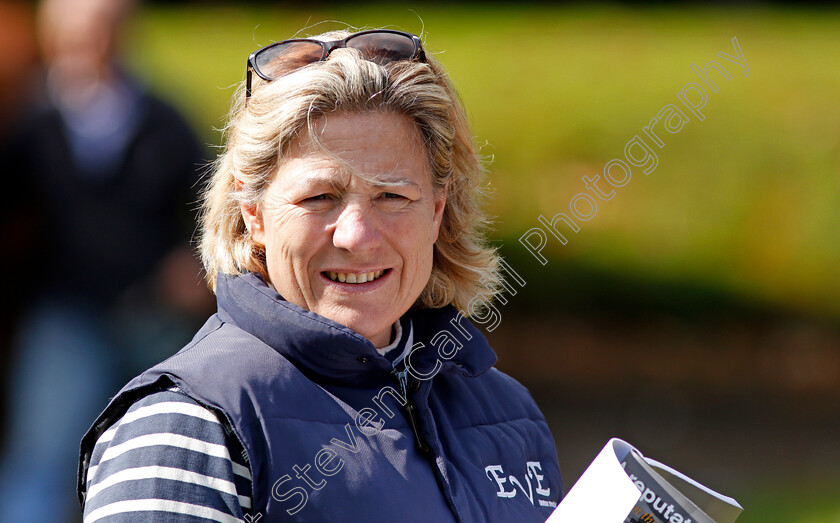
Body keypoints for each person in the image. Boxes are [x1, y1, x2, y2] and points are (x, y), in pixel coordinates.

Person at [78, 28, 563, 521]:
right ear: (254, 213)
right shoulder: (183, 429)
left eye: (392, 196)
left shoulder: (511, 415)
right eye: (319, 198)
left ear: (436, 211)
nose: (357, 235)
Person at [0, 0, 209, 521]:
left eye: (101, 34)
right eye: (73, 37)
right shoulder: (34, 125)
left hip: (153, 314)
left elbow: (212, 208)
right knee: (43, 458)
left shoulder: (164, 121)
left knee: (162, 452)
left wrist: (195, 263)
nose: (88, 49)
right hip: (66, 313)